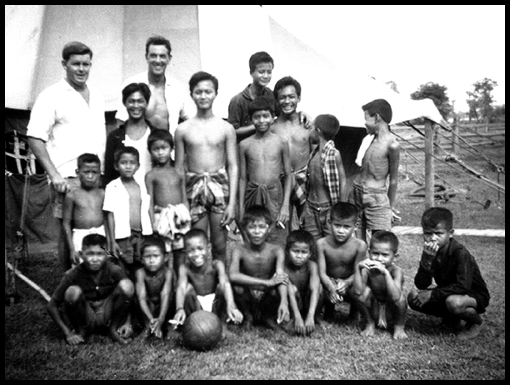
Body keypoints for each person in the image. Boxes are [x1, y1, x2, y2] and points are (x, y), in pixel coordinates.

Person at [27, 41, 106, 271]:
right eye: (76, 64)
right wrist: (55, 175)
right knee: (68, 234)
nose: (82, 69)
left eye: (86, 64)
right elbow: (34, 137)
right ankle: (68, 286)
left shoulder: (98, 95)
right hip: (68, 179)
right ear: (65, 64)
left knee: (94, 232)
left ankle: (94, 289)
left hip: (95, 177)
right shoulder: (51, 95)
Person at [174, 71, 238, 265]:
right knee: (197, 245)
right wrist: (183, 201)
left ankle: (220, 289)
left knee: (219, 246)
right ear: (191, 94)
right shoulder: (183, 129)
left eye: (208, 92)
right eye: (198, 92)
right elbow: (179, 168)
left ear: (215, 93)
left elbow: (233, 166)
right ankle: (202, 290)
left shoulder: (226, 128)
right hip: (194, 188)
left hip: (219, 186)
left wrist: (232, 203)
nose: (203, 96)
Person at [407, 207, 490, 340]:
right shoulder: (430, 251)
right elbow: (421, 284)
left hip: (473, 294)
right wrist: (426, 261)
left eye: (438, 233)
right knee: (413, 297)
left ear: (450, 233)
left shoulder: (460, 253)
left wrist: (433, 294)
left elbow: (463, 286)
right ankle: (451, 318)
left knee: (454, 303)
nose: (432, 238)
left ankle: (476, 322)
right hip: (448, 291)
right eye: (428, 233)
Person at [47, 234, 134, 345]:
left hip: (107, 312)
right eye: (90, 254)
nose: (95, 259)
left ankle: (113, 329)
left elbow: (130, 296)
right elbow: (52, 305)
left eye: (100, 254)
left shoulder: (114, 270)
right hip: (86, 315)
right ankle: (81, 330)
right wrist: (67, 332)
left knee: (127, 285)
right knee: (72, 292)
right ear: (81, 255)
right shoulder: (73, 274)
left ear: (107, 255)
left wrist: (127, 323)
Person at [115, 35, 193, 136]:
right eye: (153, 55)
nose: (157, 60)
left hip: (168, 149)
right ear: (146, 57)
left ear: (169, 59)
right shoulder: (132, 84)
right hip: (138, 149)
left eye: (162, 56)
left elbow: (192, 119)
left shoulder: (177, 87)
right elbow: (121, 121)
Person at [238, 97, 292, 246]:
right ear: (250, 119)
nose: (261, 120)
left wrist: (285, 205)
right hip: (252, 192)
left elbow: (288, 175)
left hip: (274, 193)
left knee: (276, 235)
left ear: (273, 117)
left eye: (265, 116)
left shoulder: (281, 142)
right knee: (253, 233)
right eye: (257, 117)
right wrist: (241, 206)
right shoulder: (244, 144)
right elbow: (242, 178)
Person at [229, 205, 290, 330]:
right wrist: (266, 282)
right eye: (252, 227)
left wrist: (284, 301)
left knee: (276, 288)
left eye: (262, 227)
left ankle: (268, 317)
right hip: (248, 296)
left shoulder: (276, 250)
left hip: (267, 297)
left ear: (269, 229)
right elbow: (233, 275)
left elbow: (281, 277)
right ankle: (248, 317)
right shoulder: (239, 250)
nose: (257, 232)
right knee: (237, 287)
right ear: (245, 229)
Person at [172, 228, 243, 329]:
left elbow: (225, 284)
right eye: (191, 250)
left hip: (215, 305)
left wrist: (231, 305)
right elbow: (181, 288)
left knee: (220, 287)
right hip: (196, 306)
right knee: (187, 289)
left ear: (209, 247)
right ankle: (194, 324)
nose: (196, 254)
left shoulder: (217, 265)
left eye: (200, 248)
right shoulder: (184, 268)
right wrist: (179, 308)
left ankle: (222, 324)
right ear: (185, 252)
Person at [352, 99, 401, 243]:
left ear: (377, 117)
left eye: (366, 119)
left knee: (379, 242)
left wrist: (389, 208)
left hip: (377, 199)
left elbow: (393, 180)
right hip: (358, 193)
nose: (364, 123)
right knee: (358, 243)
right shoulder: (369, 140)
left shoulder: (392, 145)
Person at [145, 129, 190, 273]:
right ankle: (168, 286)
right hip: (162, 219)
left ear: (171, 148)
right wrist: (152, 224)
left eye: (164, 148)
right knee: (165, 254)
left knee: (181, 253)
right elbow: (150, 202)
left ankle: (179, 287)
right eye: (156, 149)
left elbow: (184, 198)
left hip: (179, 217)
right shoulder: (151, 175)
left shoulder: (179, 171)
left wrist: (187, 218)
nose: (160, 152)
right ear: (150, 151)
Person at [271, 76, 313, 230]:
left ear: (299, 98)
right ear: (276, 100)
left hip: (304, 179)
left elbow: (315, 154)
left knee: (307, 226)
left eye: (291, 97)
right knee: (282, 225)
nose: (287, 101)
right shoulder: (272, 127)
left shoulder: (307, 124)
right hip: (282, 180)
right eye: (282, 97)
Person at [103, 146, 153, 277]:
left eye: (132, 163)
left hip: (141, 235)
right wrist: (112, 241)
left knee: (141, 267)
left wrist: (151, 232)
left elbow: (147, 210)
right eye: (123, 163)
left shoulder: (142, 186)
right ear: (116, 166)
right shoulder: (112, 186)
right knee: (123, 267)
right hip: (123, 236)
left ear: (138, 166)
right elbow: (109, 215)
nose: (128, 166)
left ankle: (138, 295)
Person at [317, 202, 367, 322]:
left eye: (346, 227)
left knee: (360, 284)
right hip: (329, 282)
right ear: (329, 223)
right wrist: (331, 287)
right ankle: (329, 309)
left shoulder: (360, 245)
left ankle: (354, 311)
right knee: (317, 287)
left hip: (349, 283)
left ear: (355, 226)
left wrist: (347, 282)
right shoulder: (322, 244)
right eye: (337, 225)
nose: (341, 231)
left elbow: (358, 272)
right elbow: (321, 273)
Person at [353, 230, 407, 339]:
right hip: (375, 308)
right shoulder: (368, 270)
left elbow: (396, 297)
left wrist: (386, 273)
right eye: (375, 253)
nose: (379, 258)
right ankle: (370, 323)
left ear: (395, 256)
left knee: (402, 300)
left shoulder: (396, 271)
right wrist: (359, 269)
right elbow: (358, 292)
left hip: (391, 310)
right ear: (369, 252)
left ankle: (399, 327)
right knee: (362, 293)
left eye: (385, 255)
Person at [302, 114, 347, 240]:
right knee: (313, 246)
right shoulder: (314, 153)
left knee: (331, 244)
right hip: (310, 208)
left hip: (328, 208)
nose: (309, 131)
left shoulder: (333, 153)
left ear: (318, 131)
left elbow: (342, 180)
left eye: (311, 128)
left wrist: (340, 210)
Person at [105, 83, 156, 187]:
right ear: (125, 103)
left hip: (151, 196)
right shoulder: (115, 136)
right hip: (123, 196)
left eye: (140, 101)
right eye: (131, 101)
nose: (136, 106)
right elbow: (109, 174)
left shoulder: (155, 134)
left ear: (146, 103)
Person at [62, 153, 106, 266]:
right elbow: (66, 223)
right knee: (81, 267)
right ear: (77, 172)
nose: (90, 176)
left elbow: (107, 219)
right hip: (80, 236)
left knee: (101, 265)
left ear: (100, 173)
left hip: (100, 233)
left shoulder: (102, 194)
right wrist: (72, 249)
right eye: (86, 172)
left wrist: (109, 241)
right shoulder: (72, 195)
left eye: (94, 172)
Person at [227, 51, 276, 142]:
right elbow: (232, 131)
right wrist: (257, 125)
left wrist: (302, 114)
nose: (266, 76)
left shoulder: (270, 94)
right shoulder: (238, 101)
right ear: (251, 72)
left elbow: (282, 116)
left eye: (269, 72)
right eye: (261, 72)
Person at [134, 234, 174, 340]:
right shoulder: (140, 273)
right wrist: (151, 319)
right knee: (137, 299)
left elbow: (165, 295)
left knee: (171, 297)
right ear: (141, 259)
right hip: (147, 308)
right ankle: (148, 326)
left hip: (163, 306)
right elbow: (141, 298)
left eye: (156, 256)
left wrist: (161, 319)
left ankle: (167, 327)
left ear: (165, 257)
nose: (151, 260)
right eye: (147, 257)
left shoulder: (167, 272)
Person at [284, 229, 322, 336]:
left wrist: (310, 316)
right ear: (287, 251)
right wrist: (297, 317)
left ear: (310, 254)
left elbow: (315, 289)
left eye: (304, 252)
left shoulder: (312, 265)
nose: (299, 256)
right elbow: (290, 291)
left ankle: (315, 318)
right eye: (295, 251)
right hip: (293, 300)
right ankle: (293, 319)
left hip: (307, 301)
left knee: (320, 287)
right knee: (289, 288)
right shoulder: (283, 267)